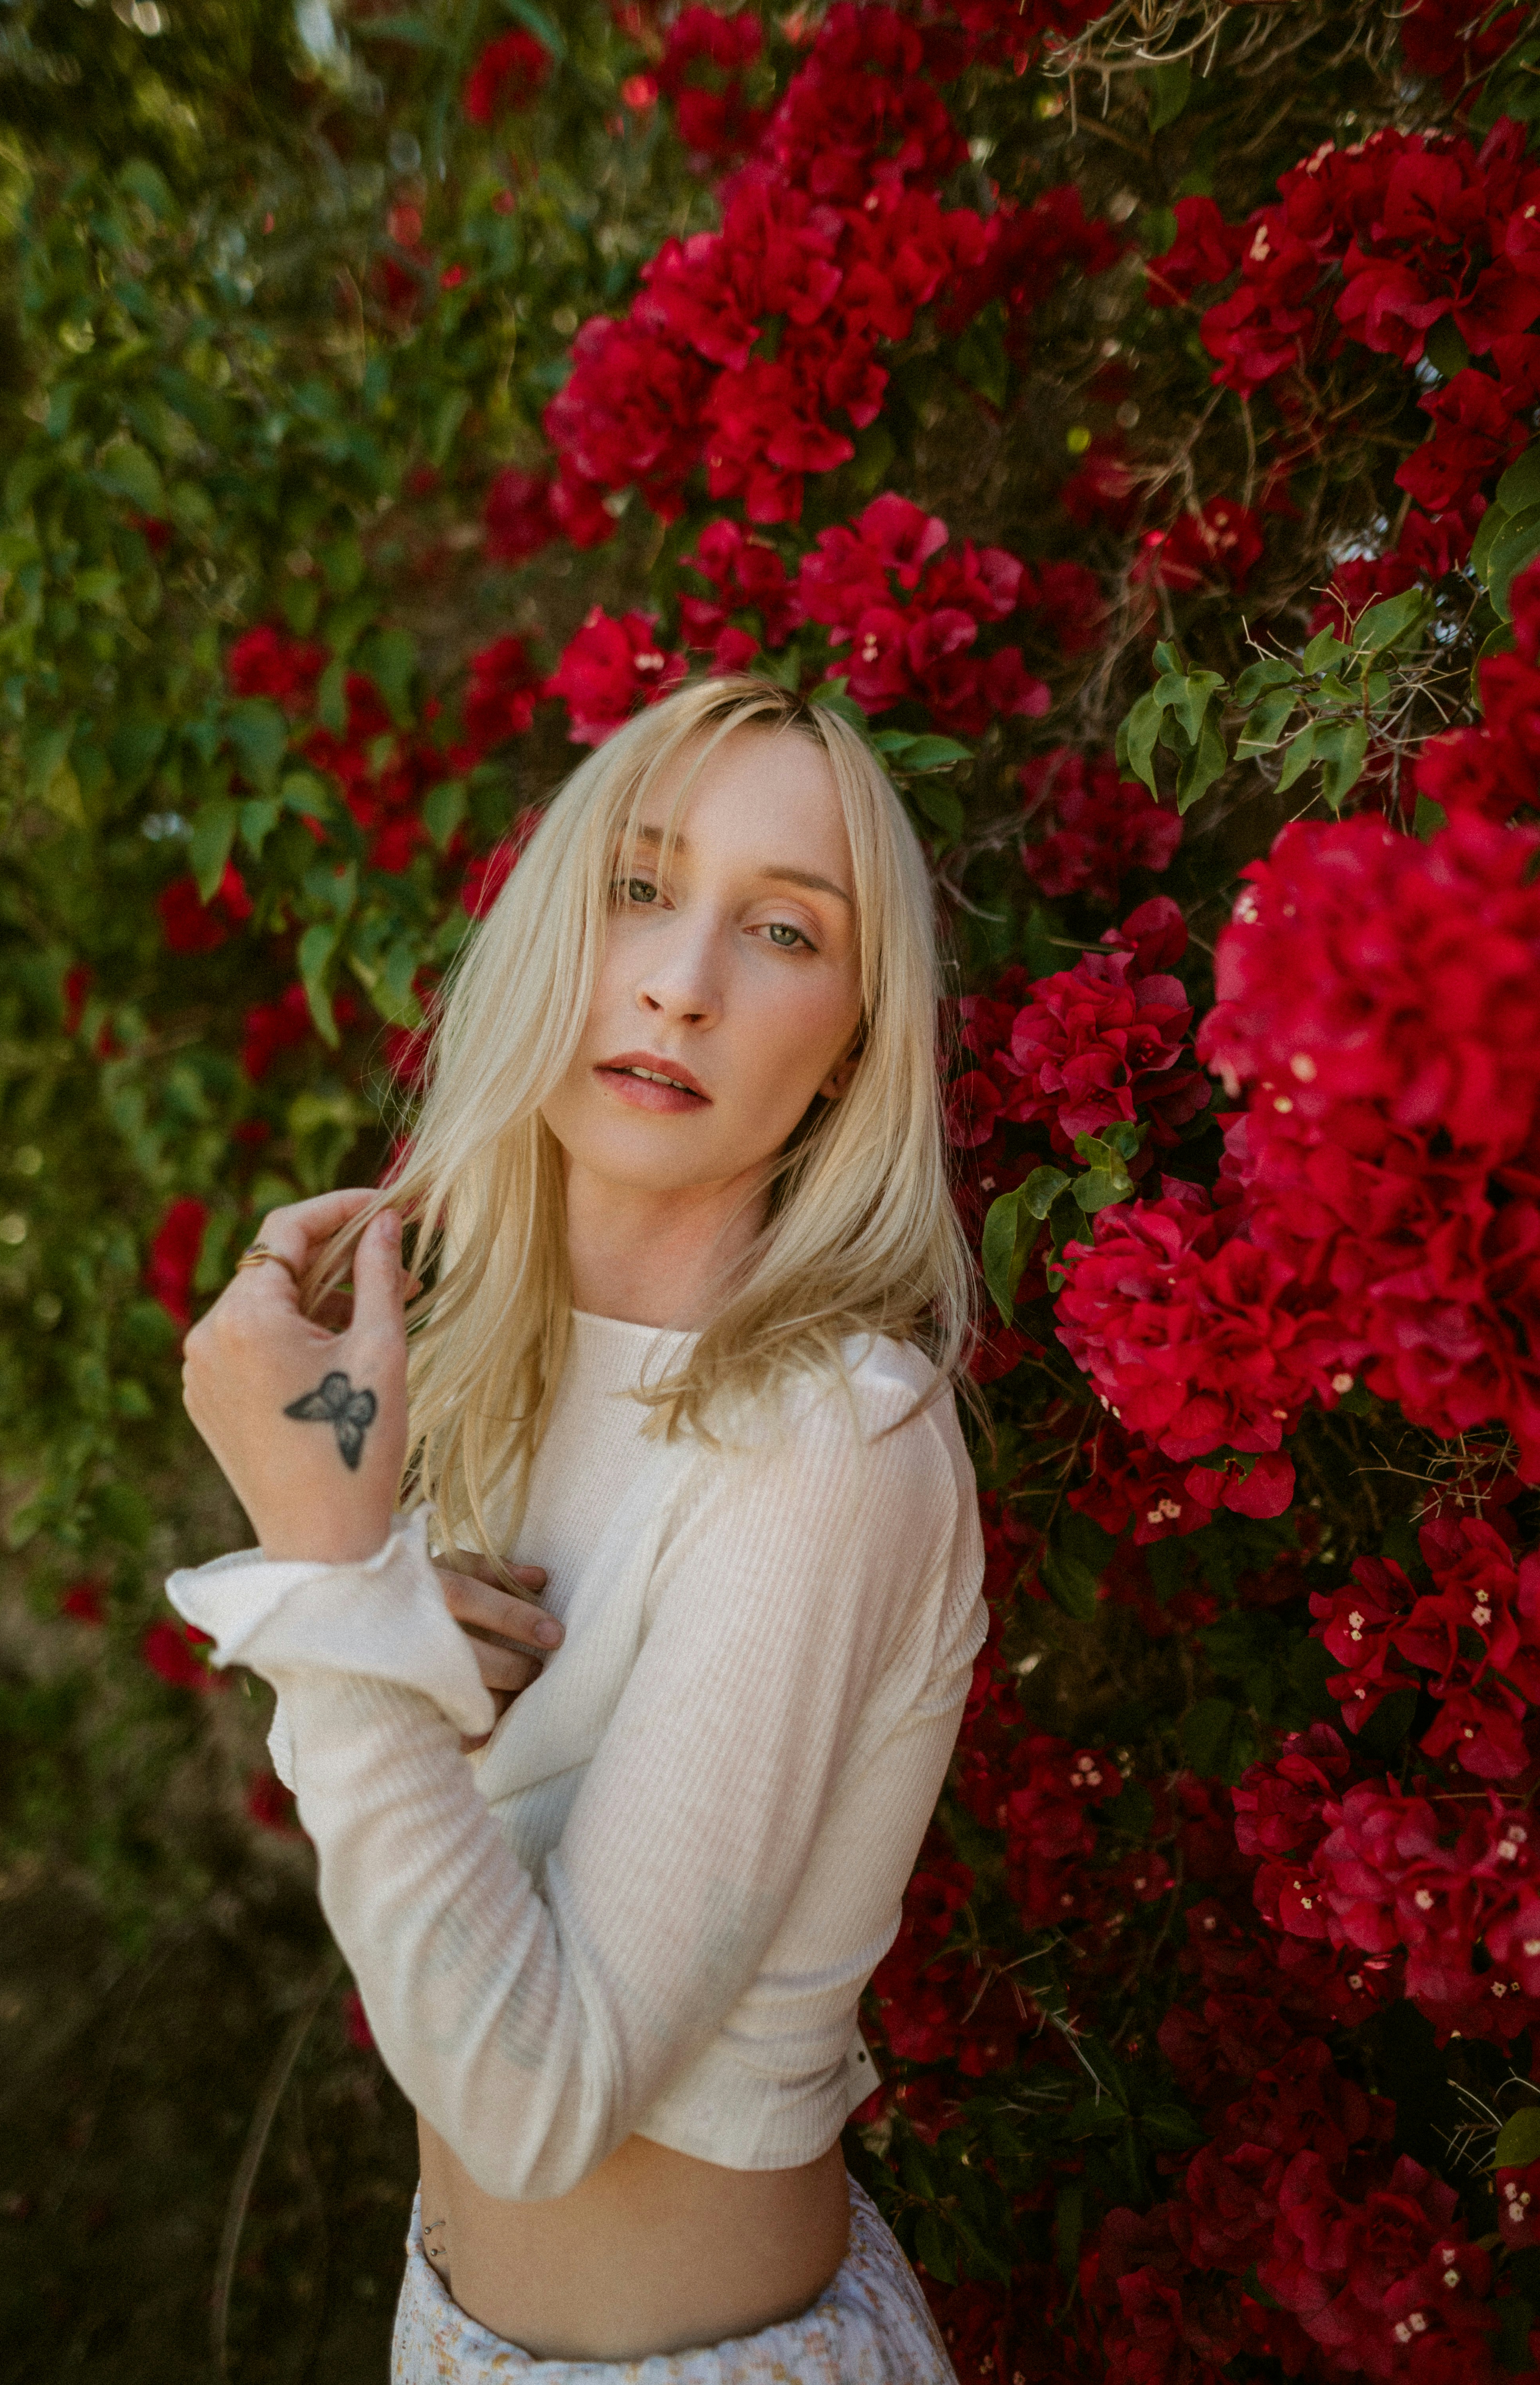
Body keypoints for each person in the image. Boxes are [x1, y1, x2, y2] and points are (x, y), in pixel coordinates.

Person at [170, 675, 988, 2383]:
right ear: (553, 926)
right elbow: (417, 1895)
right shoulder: (463, 1378)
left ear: (852, 1047)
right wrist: (371, 1620)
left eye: (782, 930)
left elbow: (536, 2107)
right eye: (638, 888)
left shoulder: (837, 1436)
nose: (681, 983)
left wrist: (333, 1586)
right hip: (449, 2330)